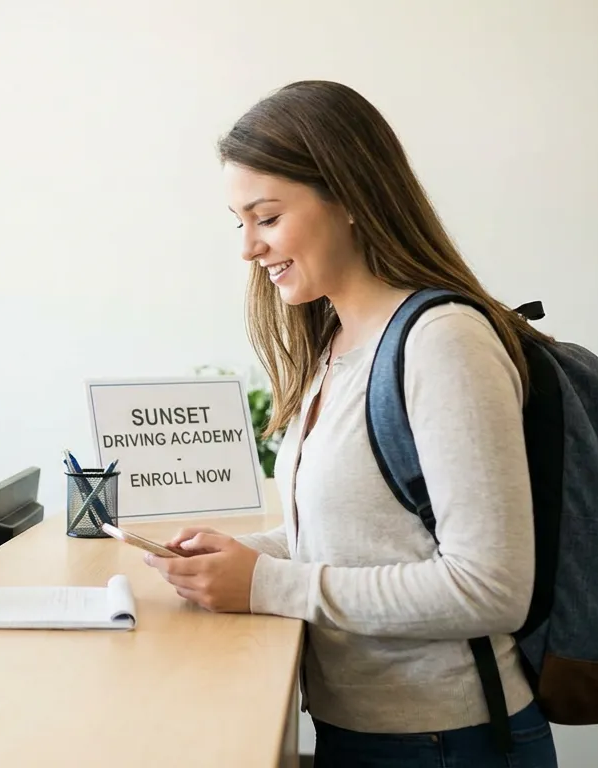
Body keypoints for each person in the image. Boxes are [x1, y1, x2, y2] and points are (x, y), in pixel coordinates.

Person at [145, 80, 559, 767]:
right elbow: (363, 536)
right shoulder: (334, 344)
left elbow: (490, 587)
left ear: (351, 199)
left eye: (267, 217)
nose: (248, 247)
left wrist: (266, 583)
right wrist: (249, 553)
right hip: (363, 731)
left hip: (446, 742)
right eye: (238, 221)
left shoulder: (443, 342)